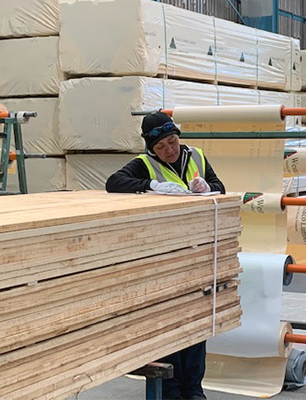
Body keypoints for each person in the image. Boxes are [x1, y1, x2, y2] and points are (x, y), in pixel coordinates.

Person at [107, 111, 225, 400]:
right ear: (151, 148)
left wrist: (209, 188)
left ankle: (194, 391)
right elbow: (114, 182)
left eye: (172, 142)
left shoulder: (195, 156)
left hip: (197, 252)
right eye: (161, 147)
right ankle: (172, 392)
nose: (169, 150)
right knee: (170, 325)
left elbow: (221, 188)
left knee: (195, 325)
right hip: (166, 256)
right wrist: (152, 186)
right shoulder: (144, 164)